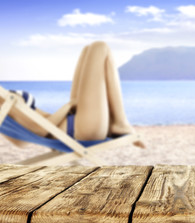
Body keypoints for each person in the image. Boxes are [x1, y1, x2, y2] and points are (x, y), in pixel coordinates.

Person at [0, 41, 143, 148]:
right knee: (99, 47)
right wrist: (67, 106)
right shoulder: (2, 100)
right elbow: (41, 130)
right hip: (76, 130)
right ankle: (120, 123)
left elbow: (20, 143)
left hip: (72, 128)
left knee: (87, 50)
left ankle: (118, 124)